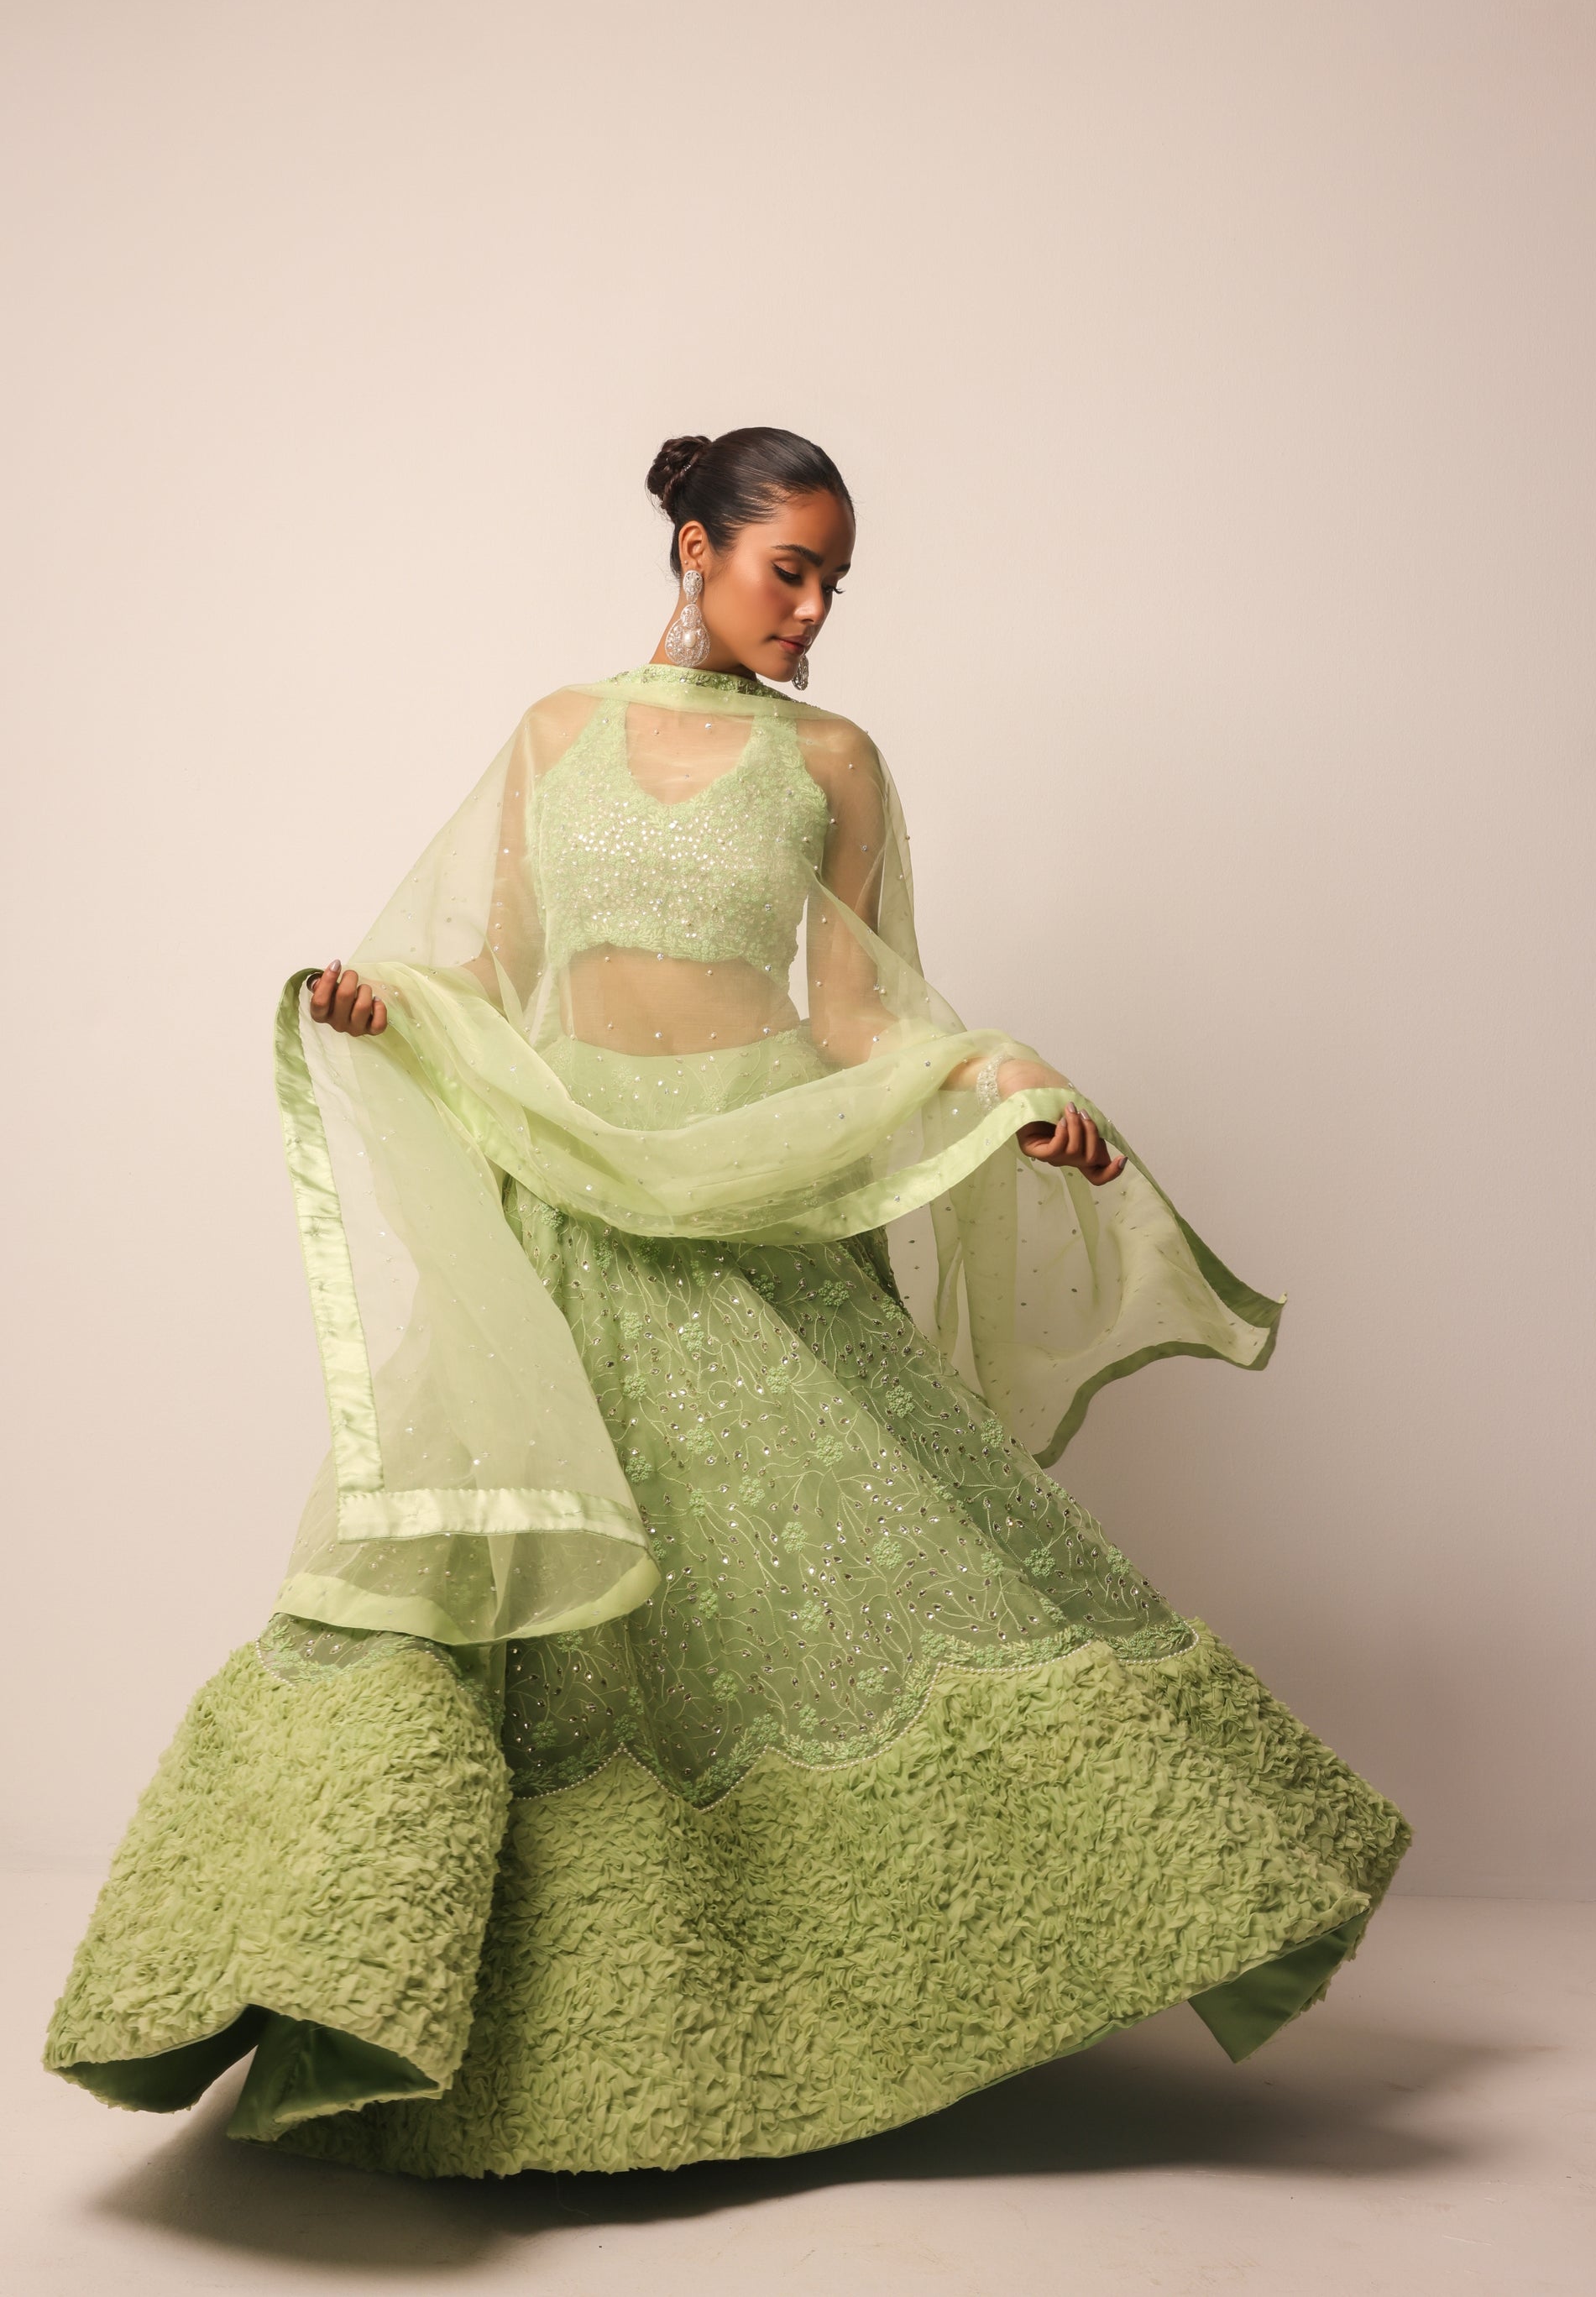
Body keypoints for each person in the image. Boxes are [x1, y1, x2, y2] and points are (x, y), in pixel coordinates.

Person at [45, 426, 1409, 2176]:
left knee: (854, 1564)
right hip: (576, 1191)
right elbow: (491, 971)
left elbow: (860, 1012)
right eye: (790, 567)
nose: (815, 606)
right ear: (695, 547)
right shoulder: (557, 731)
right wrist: (384, 1002)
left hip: (756, 1193)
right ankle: (446, 2005)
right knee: (531, 1604)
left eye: (835, 578)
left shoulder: (833, 760)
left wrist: (1000, 1080)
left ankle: (819, 2008)